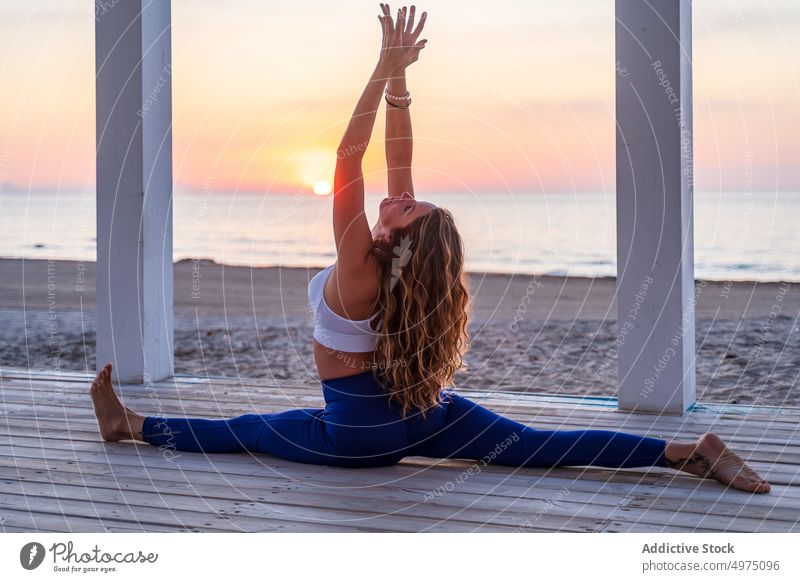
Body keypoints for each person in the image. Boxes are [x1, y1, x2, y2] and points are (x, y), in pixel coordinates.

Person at [90, 4, 770, 494]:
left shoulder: (360, 266)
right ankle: (681, 450)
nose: (397, 195)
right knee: (535, 446)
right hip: (422, 419)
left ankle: (133, 425)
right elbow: (394, 161)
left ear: (400, 234)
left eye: (405, 205)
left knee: (252, 427)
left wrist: (377, 66)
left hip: (358, 441)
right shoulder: (399, 269)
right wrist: (400, 85)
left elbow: (348, 159)